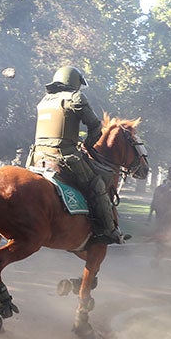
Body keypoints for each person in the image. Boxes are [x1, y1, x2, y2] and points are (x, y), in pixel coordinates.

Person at [27, 66, 125, 244]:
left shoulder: (45, 100)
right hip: (63, 156)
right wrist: (88, 144)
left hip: (37, 156)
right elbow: (95, 126)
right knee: (97, 186)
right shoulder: (75, 97)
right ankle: (108, 230)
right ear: (74, 82)